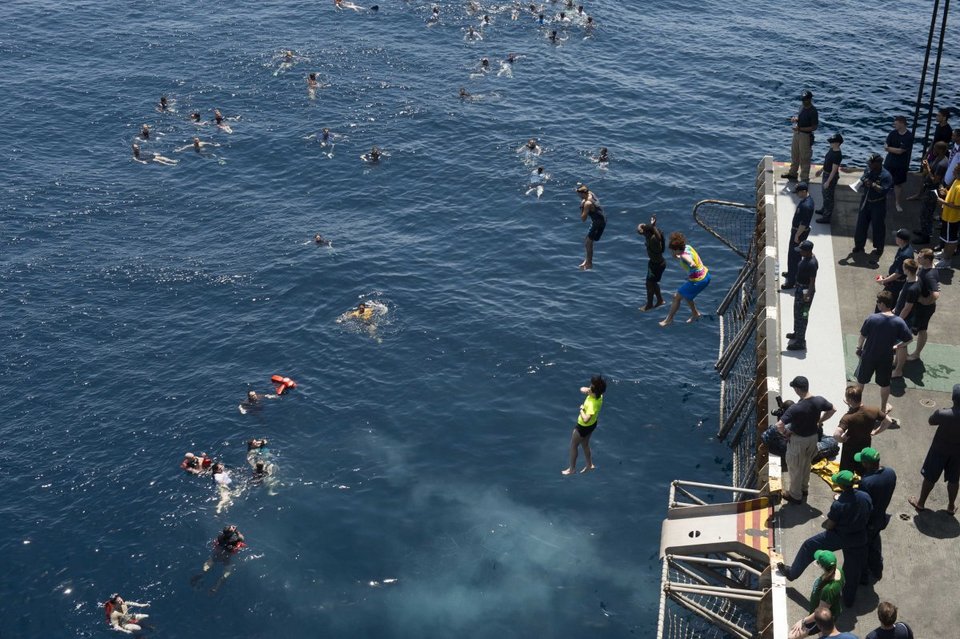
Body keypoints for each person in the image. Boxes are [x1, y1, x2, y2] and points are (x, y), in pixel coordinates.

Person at [778, 470, 871, 607]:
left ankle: (792, 573)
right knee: (853, 569)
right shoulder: (865, 496)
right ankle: (849, 599)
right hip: (859, 537)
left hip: (840, 536)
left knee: (809, 545)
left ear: (841, 486)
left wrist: (825, 524)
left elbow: (830, 525)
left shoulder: (839, 504)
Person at [776, 376, 836, 504]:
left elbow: (779, 425)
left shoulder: (795, 408)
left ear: (797, 389)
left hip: (798, 441)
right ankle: (804, 489)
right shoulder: (819, 400)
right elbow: (833, 409)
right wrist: (820, 421)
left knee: (795, 468)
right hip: (813, 439)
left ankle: (795, 495)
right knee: (806, 463)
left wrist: (785, 433)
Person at [854, 291, 912, 412]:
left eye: (878, 302)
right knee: (885, 384)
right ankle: (883, 408)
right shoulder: (899, 322)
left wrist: (859, 348)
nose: (877, 304)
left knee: (861, 381)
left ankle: (855, 406)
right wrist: (897, 346)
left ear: (882, 304)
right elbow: (909, 339)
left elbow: (862, 336)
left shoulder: (872, 318)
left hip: (868, 356)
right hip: (886, 358)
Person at [909, 383, 960, 514]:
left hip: (939, 450)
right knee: (954, 480)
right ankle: (951, 506)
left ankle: (920, 503)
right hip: (957, 453)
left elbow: (931, 421)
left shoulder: (943, 413)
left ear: (953, 398)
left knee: (930, 477)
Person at [855, 447, 896, 584]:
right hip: (881, 517)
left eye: (862, 462)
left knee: (862, 548)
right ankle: (877, 570)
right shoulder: (890, 473)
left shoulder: (866, 483)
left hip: (869, 522)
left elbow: (863, 505)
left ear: (867, 464)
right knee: (875, 544)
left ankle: (863, 577)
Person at [784, 550, 844, 639]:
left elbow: (821, 611)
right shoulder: (838, 570)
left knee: (791, 636)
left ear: (822, 566)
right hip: (822, 613)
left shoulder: (829, 589)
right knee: (822, 633)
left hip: (820, 619)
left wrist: (803, 621)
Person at [833, 387, 890, 473]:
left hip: (850, 447)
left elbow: (836, 434)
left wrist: (842, 440)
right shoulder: (873, 410)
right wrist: (876, 431)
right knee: (862, 468)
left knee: (846, 470)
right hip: (865, 444)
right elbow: (888, 421)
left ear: (850, 400)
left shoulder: (847, 417)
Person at [659, 232, 710, 326]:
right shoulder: (688, 247)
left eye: (673, 251)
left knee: (676, 297)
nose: (672, 253)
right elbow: (685, 255)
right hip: (706, 275)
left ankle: (668, 320)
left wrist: (691, 263)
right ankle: (695, 313)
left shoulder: (684, 256)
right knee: (687, 296)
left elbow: (687, 258)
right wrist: (678, 256)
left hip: (698, 281)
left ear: (678, 249)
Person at [562, 375, 606, 475]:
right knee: (585, 444)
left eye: (590, 387)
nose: (589, 387)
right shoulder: (599, 396)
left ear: (593, 392)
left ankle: (572, 469)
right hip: (592, 425)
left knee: (573, 445)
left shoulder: (591, 404)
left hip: (583, 427)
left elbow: (586, 419)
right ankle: (589, 465)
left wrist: (581, 409)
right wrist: (587, 390)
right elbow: (582, 389)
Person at [853, 153, 894, 256]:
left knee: (878, 226)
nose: (869, 165)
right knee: (861, 224)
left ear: (878, 163)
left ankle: (879, 247)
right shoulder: (868, 170)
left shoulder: (886, 176)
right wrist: (864, 181)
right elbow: (863, 178)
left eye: (871, 163)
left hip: (878, 204)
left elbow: (883, 190)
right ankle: (859, 245)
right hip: (866, 201)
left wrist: (873, 184)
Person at [911, 140, 949, 245]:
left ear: (940, 150)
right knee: (924, 213)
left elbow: (935, 180)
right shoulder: (939, 158)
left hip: (932, 191)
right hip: (929, 188)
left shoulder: (942, 164)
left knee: (926, 214)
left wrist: (927, 168)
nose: (933, 150)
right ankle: (924, 230)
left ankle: (926, 237)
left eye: (935, 148)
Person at [906, 248, 939, 362]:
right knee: (920, 329)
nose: (917, 258)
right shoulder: (926, 268)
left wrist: (924, 301)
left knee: (920, 330)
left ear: (927, 260)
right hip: (920, 307)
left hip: (924, 309)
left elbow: (935, 294)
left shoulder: (929, 275)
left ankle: (916, 354)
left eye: (920, 257)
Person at [191, 525, 246, 593]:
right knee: (227, 572)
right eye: (232, 528)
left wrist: (232, 531)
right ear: (230, 533)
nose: (233, 527)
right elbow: (242, 538)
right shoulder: (235, 539)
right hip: (227, 557)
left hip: (217, 554)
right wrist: (237, 532)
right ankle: (216, 587)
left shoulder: (221, 537)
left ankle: (201, 573)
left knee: (211, 561)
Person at [786, 239, 817, 351]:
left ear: (807, 251)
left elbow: (812, 282)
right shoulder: (807, 257)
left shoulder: (812, 264)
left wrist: (807, 295)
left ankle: (800, 342)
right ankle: (797, 333)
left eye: (802, 251)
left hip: (805, 292)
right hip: (800, 289)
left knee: (803, 316)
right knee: (796, 313)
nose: (800, 252)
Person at [892, 259, 921, 377]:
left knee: (901, 346)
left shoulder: (912, 288)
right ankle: (896, 363)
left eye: (903, 267)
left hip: (905, 319)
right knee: (900, 344)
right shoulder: (911, 280)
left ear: (907, 270)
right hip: (902, 316)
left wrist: (898, 320)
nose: (902, 268)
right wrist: (896, 308)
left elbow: (907, 308)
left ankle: (898, 370)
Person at [782, 90, 819, 183]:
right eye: (803, 99)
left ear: (810, 99)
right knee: (794, 154)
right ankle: (793, 173)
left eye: (806, 99)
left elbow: (814, 127)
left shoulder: (813, 111)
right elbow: (802, 118)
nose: (804, 101)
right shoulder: (801, 106)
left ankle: (804, 178)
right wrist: (796, 119)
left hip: (805, 136)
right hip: (797, 133)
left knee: (804, 157)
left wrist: (800, 129)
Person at [783, 183, 815, 289]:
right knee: (792, 254)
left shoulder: (806, 206)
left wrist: (797, 235)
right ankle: (791, 272)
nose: (797, 195)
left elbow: (803, 224)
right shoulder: (806, 201)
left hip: (799, 233)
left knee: (794, 256)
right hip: (798, 231)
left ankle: (791, 281)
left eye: (798, 192)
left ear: (804, 191)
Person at [883, 116, 914, 212]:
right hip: (889, 162)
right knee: (884, 181)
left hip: (900, 165)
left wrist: (889, 149)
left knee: (898, 184)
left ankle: (897, 203)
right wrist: (891, 149)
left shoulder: (909, 136)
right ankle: (882, 199)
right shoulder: (892, 133)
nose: (894, 125)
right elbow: (886, 146)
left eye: (896, 124)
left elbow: (900, 151)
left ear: (902, 124)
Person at [636, 214, 666, 311]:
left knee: (649, 284)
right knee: (652, 283)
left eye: (645, 233)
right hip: (654, 263)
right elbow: (639, 230)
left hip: (657, 265)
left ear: (649, 233)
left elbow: (658, 238)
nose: (643, 234)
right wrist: (652, 225)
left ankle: (649, 304)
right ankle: (660, 300)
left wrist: (652, 226)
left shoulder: (654, 239)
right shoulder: (650, 235)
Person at [933, 162, 960, 267]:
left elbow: (958, 206)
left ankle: (947, 260)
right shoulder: (956, 181)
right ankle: (945, 253)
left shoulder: (959, 188)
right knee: (946, 238)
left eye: (955, 170)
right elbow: (952, 197)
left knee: (951, 240)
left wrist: (943, 202)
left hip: (953, 218)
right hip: (947, 215)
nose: (953, 172)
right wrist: (946, 192)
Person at [815, 134, 844, 224]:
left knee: (829, 197)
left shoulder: (837, 155)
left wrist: (828, 181)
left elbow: (834, 170)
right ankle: (824, 209)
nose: (830, 143)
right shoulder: (831, 150)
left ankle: (827, 217)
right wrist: (821, 170)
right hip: (826, 173)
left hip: (830, 177)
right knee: (825, 194)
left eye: (832, 142)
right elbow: (826, 162)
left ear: (837, 143)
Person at [875, 230, 914, 295]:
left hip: (896, 284)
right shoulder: (903, 247)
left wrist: (883, 281)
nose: (895, 238)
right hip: (893, 281)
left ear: (901, 240)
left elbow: (898, 274)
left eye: (897, 237)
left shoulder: (905, 255)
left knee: (887, 299)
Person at [576, 184, 605, 270]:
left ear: (583, 193)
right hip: (601, 218)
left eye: (579, 194)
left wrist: (582, 206)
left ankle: (589, 263)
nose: (578, 196)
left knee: (588, 242)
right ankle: (587, 260)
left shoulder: (587, 203)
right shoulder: (590, 193)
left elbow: (583, 219)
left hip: (598, 222)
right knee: (588, 241)